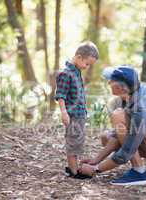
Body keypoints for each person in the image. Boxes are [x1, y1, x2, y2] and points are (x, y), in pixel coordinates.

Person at [79, 65, 146, 185]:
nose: (108, 82)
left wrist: (96, 169)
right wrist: (96, 160)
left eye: (112, 81)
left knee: (118, 115)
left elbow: (127, 150)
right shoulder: (132, 93)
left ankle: (139, 172)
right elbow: (119, 135)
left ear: (122, 88)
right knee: (106, 138)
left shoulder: (141, 107)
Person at [54, 41, 99, 179]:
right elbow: (60, 95)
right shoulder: (66, 74)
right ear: (79, 57)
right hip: (72, 115)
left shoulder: (77, 72)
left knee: (78, 141)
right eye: (87, 63)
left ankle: (73, 166)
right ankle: (73, 171)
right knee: (73, 142)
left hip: (79, 114)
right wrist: (64, 112)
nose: (87, 67)